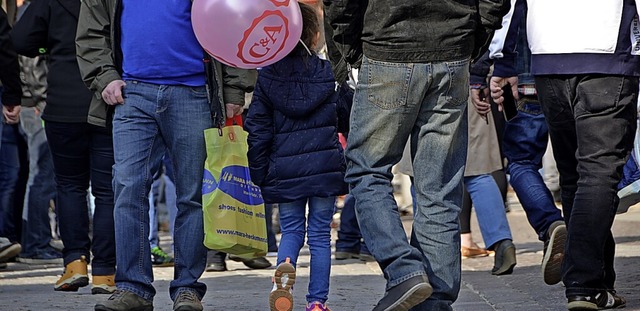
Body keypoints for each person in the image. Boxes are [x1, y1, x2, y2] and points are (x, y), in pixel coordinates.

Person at [325, 0, 510, 309]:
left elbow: (340, 5)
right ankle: (433, 299)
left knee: (367, 171)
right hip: (450, 45)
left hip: (390, 46)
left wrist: (350, 46)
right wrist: (475, 35)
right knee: (438, 187)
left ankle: (404, 271)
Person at [76, 0, 257, 310]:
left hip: (196, 94)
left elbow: (234, 22)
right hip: (131, 95)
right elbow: (90, 32)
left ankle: (187, 288)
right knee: (127, 190)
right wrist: (104, 77)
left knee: (193, 196)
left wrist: (235, 88)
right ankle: (133, 288)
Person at [490, 1, 639, 309]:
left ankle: (597, 281)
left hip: (549, 54)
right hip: (608, 51)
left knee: (576, 176)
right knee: (598, 174)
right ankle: (583, 283)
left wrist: (498, 65)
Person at [245, 4, 350, 310]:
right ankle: (317, 302)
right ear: (315, 36)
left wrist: (259, 172)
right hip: (324, 168)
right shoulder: (329, 75)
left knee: (291, 229)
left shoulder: (267, 79)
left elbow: (258, 131)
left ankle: (284, 271)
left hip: (285, 168)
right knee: (319, 235)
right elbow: (347, 119)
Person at [11, 0, 117, 294]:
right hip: (106, 101)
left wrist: (48, 47)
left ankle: (74, 264)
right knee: (107, 190)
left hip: (62, 104)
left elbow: (20, 39)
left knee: (70, 186)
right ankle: (106, 274)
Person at [472, 5, 568, 286]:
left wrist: (487, 71)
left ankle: (550, 223)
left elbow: (503, 14)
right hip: (587, 71)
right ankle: (590, 265)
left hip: (528, 78)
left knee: (522, 161)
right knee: (581, 168)